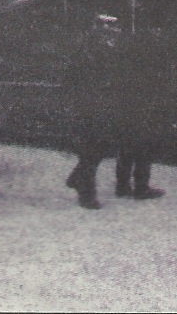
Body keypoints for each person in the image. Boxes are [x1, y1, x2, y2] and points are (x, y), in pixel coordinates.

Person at [65, 14, 125, 210]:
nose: (112, 31)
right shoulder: (86, 51)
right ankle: (86, 195)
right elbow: (74, 80)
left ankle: (76, 177)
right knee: (92, 150)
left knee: (98, 149)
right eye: (107, 27)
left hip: (99, 105)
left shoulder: (101, 48)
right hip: (89, 106)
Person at [114, 27, 173, 200]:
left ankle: (122, 186)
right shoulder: (153, 59)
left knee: (126, 147)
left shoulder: (127, 55)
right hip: (144, 106)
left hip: (128, 105)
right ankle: (141, 188)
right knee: (144, 147)